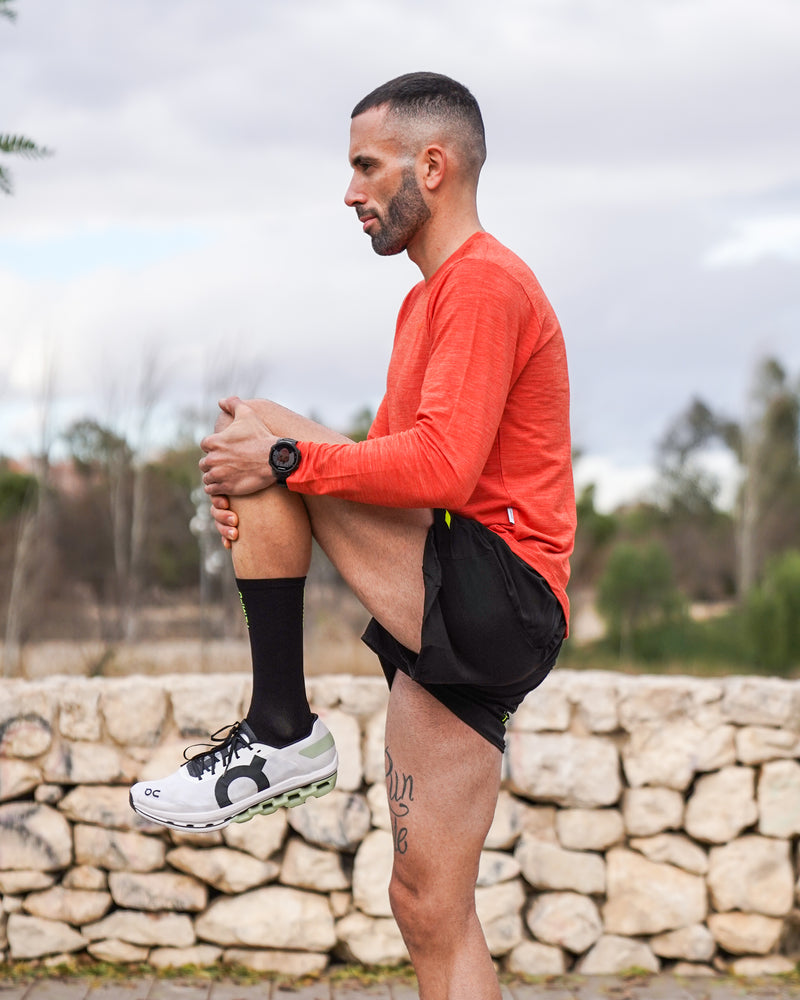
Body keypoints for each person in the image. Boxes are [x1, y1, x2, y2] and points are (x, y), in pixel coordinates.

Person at [130, 71, 575, 1000]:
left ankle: (281, 728)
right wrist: (272, 493)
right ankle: (280, 724)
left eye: (367, 168)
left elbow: (442, 471)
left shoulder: (484, 284)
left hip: (498, 594)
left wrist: (282, 463)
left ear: (434, 165)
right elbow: (387, 471)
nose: (351, 192)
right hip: (451, 601)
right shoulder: (425, 301)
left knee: (261, 422)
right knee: (426, 905)